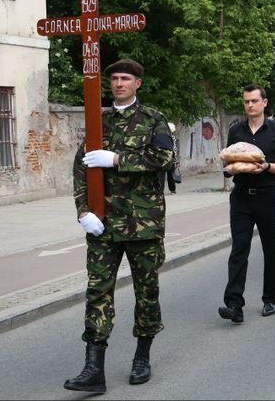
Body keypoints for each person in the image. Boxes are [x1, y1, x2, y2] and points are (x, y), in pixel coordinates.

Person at [65, 59, 176, 393]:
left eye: (125, 78)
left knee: (146, 291)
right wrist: (83, 211)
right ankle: (92, 369)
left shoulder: (154, 119)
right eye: (114, 78)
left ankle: (142, 357)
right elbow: (81, 168)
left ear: (137, 83)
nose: (118, 83)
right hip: (104, 224)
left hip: (143, 225)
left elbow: (163, 159)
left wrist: (115, 159)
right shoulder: (99, 121)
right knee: (97, 292)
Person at [219, 85, 275, 324]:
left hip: (267, 195)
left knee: (271, 248)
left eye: (253, 101)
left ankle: (270, 299)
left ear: (264, 103)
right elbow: (229, 160)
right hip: (241, 196)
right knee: (238, 249)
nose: (249, 105)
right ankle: (234, 305)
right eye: (246, 102)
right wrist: (228, 170)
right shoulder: (236, 131)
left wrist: (267, 167)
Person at [166, 122, 181, 194]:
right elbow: (174, 150)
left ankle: (160, 190)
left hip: (164, 158)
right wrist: (176, 161)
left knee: (162, 175)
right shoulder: (173, 137)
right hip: (171, 158)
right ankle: (172, 189)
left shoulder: (166, 137)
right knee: (170, 175)